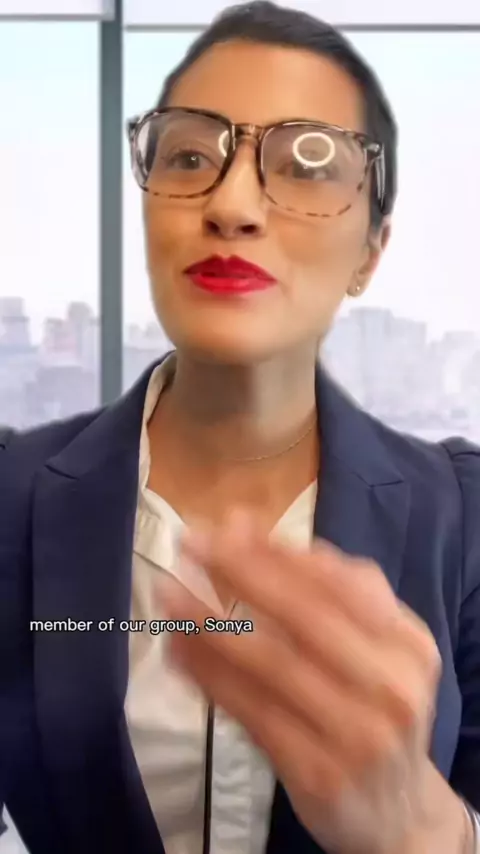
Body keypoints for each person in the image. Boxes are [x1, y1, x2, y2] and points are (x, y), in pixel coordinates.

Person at [1, 2, 479, 853]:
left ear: (370, 253)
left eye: (307, 165)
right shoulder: (10, 496)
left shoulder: (465, 520)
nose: (232, 204)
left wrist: (420, 828)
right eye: (189, 156)